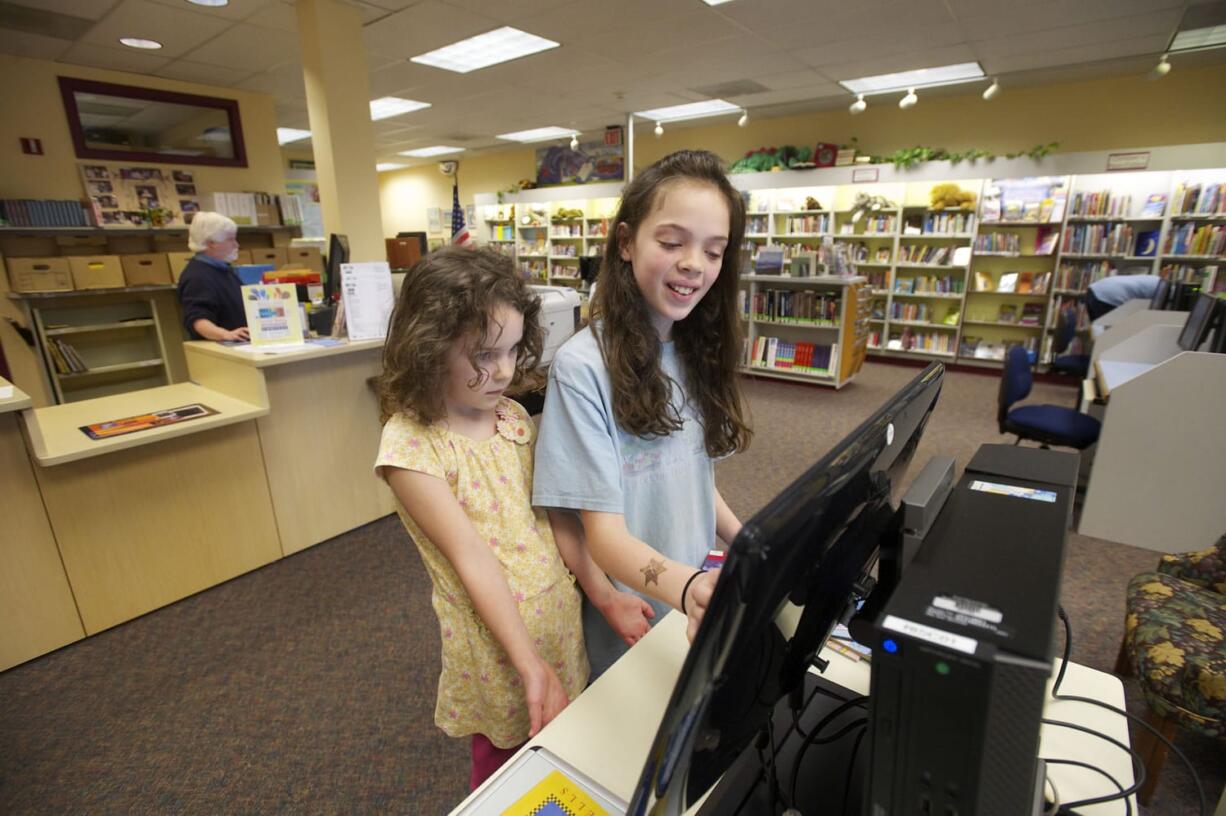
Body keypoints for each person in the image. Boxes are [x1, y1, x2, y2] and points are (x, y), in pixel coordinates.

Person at [373, 246, 652, 790]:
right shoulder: (411, 448)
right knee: (507, 775)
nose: (503, 370)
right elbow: (471, 556)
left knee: (564, 757)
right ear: (429, 349)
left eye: (511, 349)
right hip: (499, 649)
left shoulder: (512, 418)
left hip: (557, 624)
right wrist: (527, 662)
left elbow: (555, 520)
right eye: (483, 354)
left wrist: (604, 594)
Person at [532, 149, 753, 677]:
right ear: (626, 241)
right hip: (639, 612)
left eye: (714, 251)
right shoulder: (582, 367)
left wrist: (751, 543)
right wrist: (686, 587)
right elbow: (602, 535)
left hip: (692, 594)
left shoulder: (692, 350)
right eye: (672, 242)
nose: (694, 264)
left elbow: (691, 475)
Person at [177, 211, 248, 341]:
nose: (236, 245)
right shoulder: (197, 276)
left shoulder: (223, 270)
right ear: (211, 243)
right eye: (230, 239)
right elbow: (197, 319)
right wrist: (226, 334)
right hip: (220, 349)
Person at [1084, 273, 1162, 320]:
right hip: (1109, 296)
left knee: (1100, 333)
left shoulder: (1156, 280)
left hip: (1094, 290)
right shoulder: (1163, 287)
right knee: (1115, 336)